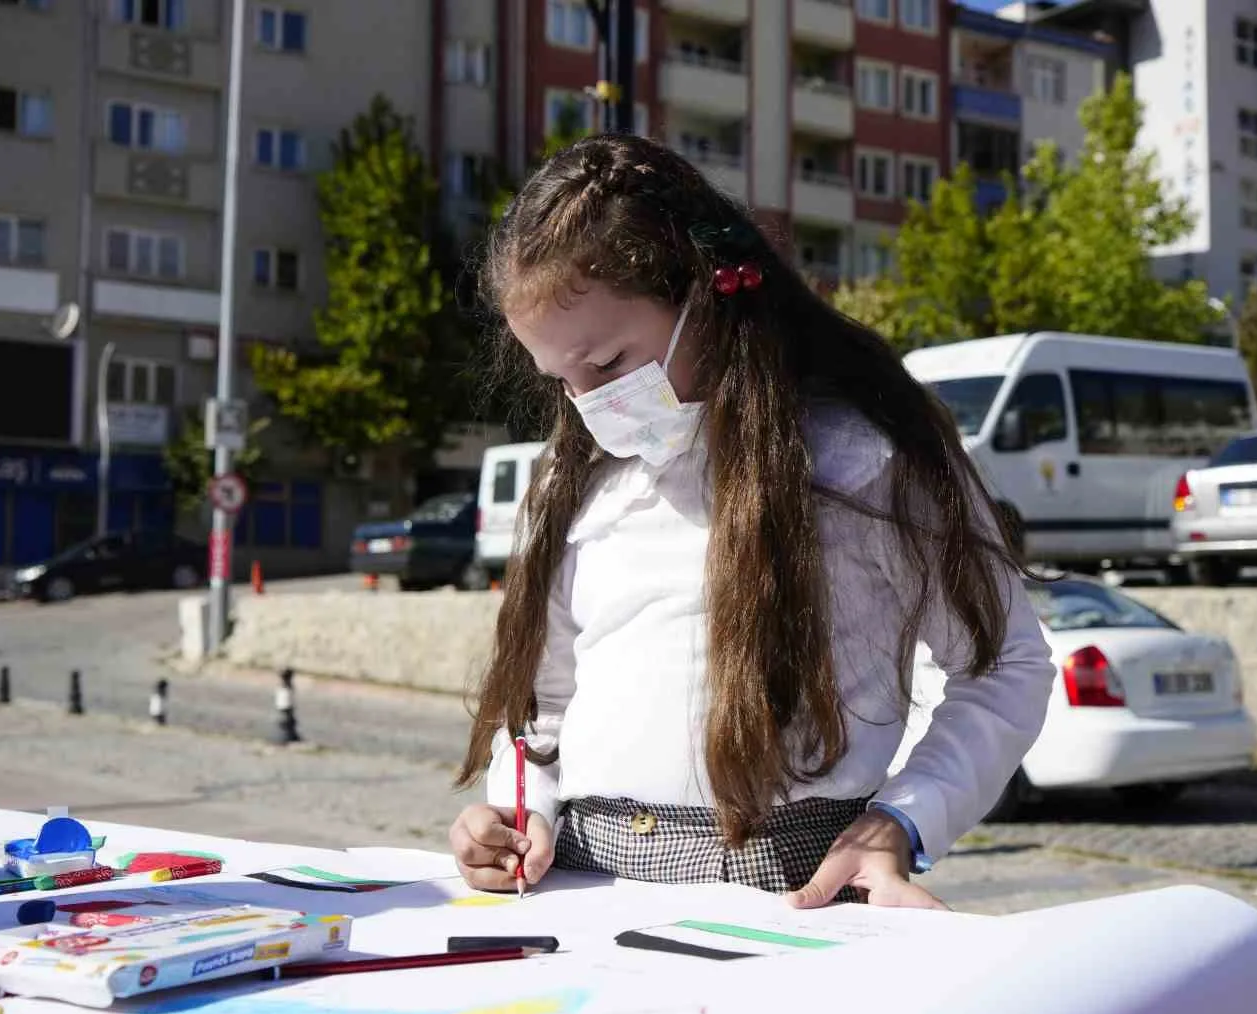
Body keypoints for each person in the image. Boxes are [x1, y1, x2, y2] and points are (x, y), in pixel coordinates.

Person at [449, 134, 1054, 910]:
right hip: (578, 882)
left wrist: (903, 820)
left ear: (706, 295)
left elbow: (1004, 665)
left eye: (605, 364)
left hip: (787, 882)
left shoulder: (864, 458)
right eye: (561, 380)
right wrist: (515, 811)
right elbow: (543, 712)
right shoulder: (573, 484)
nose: (590, 406)